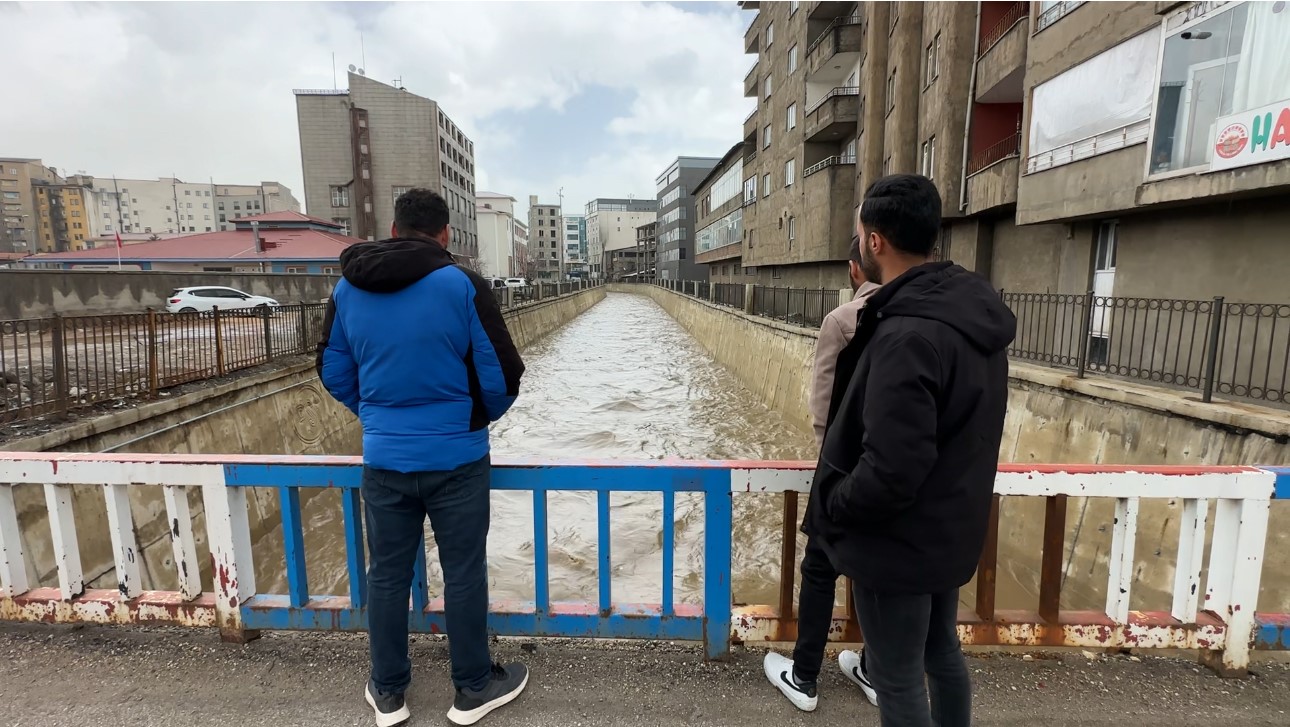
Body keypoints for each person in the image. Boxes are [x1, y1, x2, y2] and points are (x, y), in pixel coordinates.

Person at [805, 174, 1016, 727]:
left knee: (898, 681)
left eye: (860, 236)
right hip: (949, 529)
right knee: (941, 653)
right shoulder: (971, 315)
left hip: (897, 545)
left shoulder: (906, 335)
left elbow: (892, 468)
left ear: (874, 242)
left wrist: (837, 504)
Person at [318, 188, 528, 727]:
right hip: (456, 458)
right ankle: (473, 687)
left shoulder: (347, 288)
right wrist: (471, 421)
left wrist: (378, 417)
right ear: (446, 234)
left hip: (383, 458)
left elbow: (333, 370)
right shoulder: (461, 285)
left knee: (386, 575)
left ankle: (388, 693)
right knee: (463, 572)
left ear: (392, 229)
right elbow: (502, 373)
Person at [763, 237, 882, 712]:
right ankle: (876, 670)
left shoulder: (844, 321)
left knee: (819, 569)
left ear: (855, 270)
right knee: (879, 568)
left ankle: (805, 677)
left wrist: (829, 465)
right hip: (902, 470)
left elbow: (822, 408)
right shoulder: (919, 319)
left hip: (846, 466)